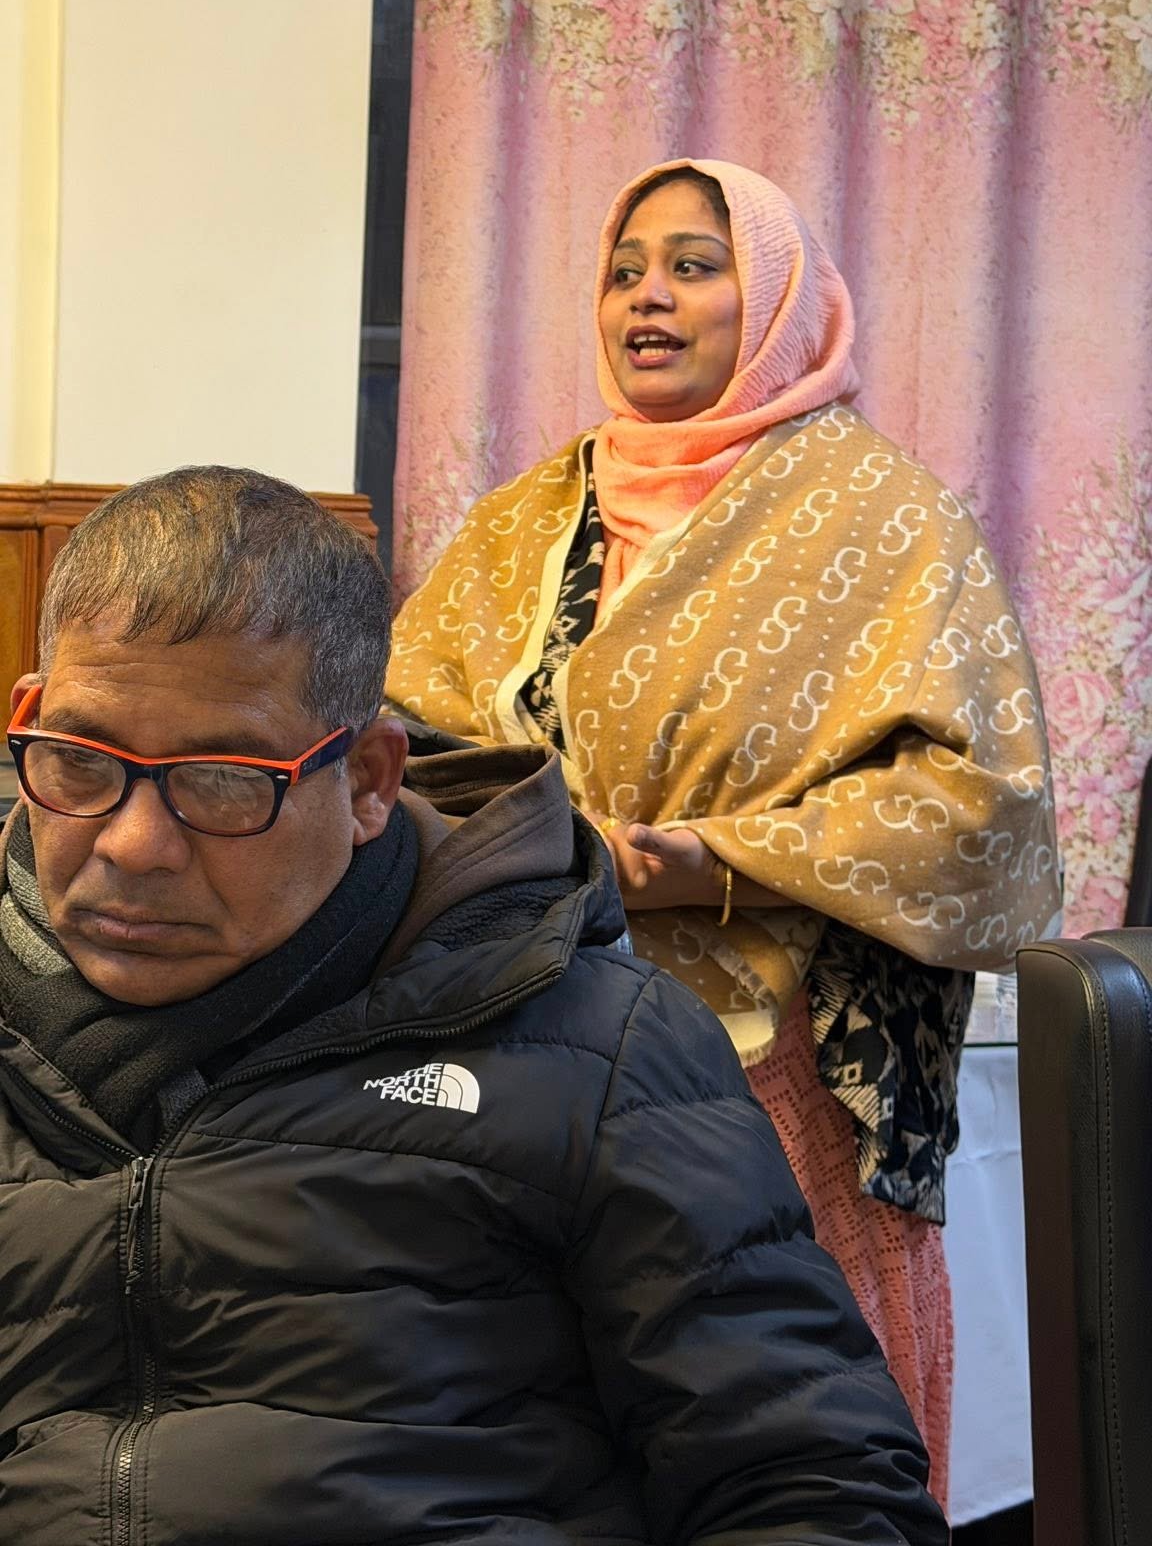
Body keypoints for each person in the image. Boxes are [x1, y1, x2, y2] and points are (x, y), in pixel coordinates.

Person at [0, 465, 947, 1546]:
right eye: (80, 760)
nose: (131, 846)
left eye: (222, 781)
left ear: (369, 780)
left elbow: (815, 1490)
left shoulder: (593, 1046)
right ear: (28, 716)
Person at [386, 157, 1062, 1505]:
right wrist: (531, 842)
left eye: (695, 266)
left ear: (780, 303)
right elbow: (406, 746)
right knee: (564, 1429)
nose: (648, 296)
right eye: (624, 269)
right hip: (533, 1041)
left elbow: (985, 815)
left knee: (780, 1433)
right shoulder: (526, 520)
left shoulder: (885, 520)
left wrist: (716, 863)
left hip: (779, 1065)